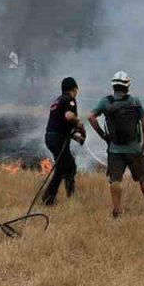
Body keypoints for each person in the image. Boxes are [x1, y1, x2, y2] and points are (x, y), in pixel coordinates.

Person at [89, 71, 144, 218]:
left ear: (113, 85)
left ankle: (117, 211)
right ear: (127, 86)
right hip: (134, 148)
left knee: (115, 180)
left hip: (114, 149)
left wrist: (103, 135)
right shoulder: (135, 101)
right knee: (142, 177)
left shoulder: (105, 102)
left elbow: (91, 117)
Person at [43, 77, 86, 206]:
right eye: (76, 89)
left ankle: (54, 197)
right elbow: (69, 116)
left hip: (51, 137)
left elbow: (60, 125)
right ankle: (52, 198)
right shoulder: (69, 99)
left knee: (66, 166)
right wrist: (80, 124)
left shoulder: (57, 101)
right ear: (74, 89)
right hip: (57, 139)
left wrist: (75, 137)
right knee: (67, 168)